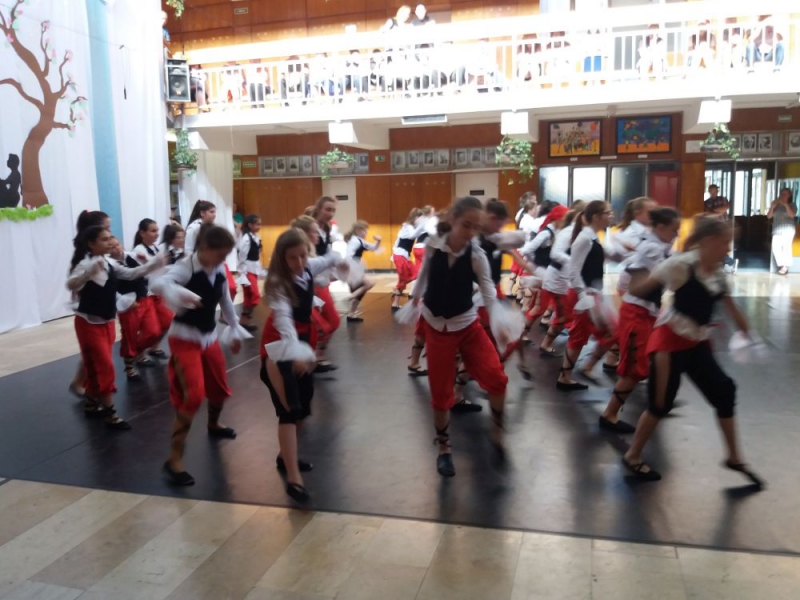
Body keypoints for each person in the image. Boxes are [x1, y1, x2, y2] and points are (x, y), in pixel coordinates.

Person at [621, 216, 763, 488]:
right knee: (660, 404)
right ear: (708, 241)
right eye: (725, 242)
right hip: (668, 345)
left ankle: (734, 457)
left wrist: (749, 335)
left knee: (724, 392)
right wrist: (635, 267)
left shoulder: (718, 273)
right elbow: (640, 288)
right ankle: (632, 454)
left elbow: (731, 307)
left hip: (697, 344)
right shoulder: (680, 265)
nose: (727, 248)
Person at [413, 196, 509, 477]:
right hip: (436, 327)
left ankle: (497, 431)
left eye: (475, 227)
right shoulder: (433, 245)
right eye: (466, 225)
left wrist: (497, 319)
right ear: (453, 220)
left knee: (497, 378)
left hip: (467, 325)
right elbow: (423, 275)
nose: (470, 232)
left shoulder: (476, 255)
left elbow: (488, 289)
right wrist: (413, 300)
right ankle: (444, 448)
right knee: (440, 393)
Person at [151, 225, 251, 486]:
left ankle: (214, 424)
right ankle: (174, 458)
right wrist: (180, 293)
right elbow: (158, 283)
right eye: (220, 254)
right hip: (184, 339)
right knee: (193, 395)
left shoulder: (217, 268)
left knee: (219, 389)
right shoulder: (186, 267)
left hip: (209, 337)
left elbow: (225, 300)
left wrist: (234, 328)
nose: (223, 260)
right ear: (205, 248)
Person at [260, 228, 347, 502]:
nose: (298, 262)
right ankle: (294, 478)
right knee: (288, 409)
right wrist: (295, 351)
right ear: (281, 258)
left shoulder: (309, 266)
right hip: (279, 346)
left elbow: (331, 256)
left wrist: (342, 262)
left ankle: (285, 457)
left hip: (303, 342)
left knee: (302, 407)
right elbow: (283, 320)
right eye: (292, 258)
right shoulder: (278, 283)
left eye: (302, 256)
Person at [67, 226, 163, 429]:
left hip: (106, 322)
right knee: (105, 366)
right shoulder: (85, 263)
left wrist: (153, 264)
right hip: (88, 323)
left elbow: (131, 274)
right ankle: (111, 413)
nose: (109, 242)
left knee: (99, 366)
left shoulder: (109, 263)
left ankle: (91, 403)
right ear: (91, 244)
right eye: (104, 239)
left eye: (109, 237)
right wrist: (87, 274)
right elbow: (71, 284)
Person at [599, 208, 680, 433]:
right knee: (634, 370)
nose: (676, 234)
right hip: (637, 312)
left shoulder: (656, 244)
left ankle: (658, 400)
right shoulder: (652, 247)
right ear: (660, 227)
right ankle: (609, 414)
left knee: (652, 359)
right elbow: (667, 277)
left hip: (646, 311)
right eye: (674, 230)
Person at [556, 200, 618, 390]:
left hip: (590, 293)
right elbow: (574, 272)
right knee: (598, 334)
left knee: (587, 335)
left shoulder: (592, 237)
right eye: (608, 213)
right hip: (585, 295)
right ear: (597, 216)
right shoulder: (584, 238)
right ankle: (568, 375)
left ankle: (574, 372)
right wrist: (584, 298)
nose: (611, 216)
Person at [68, 210, 111, 400]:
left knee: (99, 352)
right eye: (106, 229)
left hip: (103, 309)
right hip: (90, 311)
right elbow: (76, 282)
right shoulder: (84, 258)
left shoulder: (102, 255)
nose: (110, 234)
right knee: (95, 352)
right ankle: (84, 384)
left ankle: (91, 384)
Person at [536, 202, 585, 356]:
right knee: (564, 316)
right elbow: (555, 254)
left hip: (565, 281)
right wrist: (574, 262)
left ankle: (547, 342)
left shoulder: (578, 232)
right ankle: (546, 344)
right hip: (558, 281)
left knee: (563, 315)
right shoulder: (569, 232)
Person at [108, 236, 157, 381]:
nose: (116, 248)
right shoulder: (110, 265)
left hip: (144, 298)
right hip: (128, 304)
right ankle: (129, 366)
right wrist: (125, 302)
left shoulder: (133, 256)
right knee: (129, 335)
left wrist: (148, 261)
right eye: (112, 246)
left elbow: (146, 273)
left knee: (153, 331)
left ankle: (138, 353)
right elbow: (128, 276)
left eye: (117, 244)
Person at [132, 219, 173, 360]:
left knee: (167, 321)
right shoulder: (138, 250)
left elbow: (161, 268)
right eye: (153, 231)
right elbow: (144, 271)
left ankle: (154, 347)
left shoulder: (157, 249)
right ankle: (138, 353)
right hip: (146, 295)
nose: (156, 234)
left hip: (158, 293)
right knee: (151, 330)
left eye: (157, 231)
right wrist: (158, 262)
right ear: (142, 233)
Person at [185, 200, 238, 301]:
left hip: (217, 263)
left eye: (214, 212)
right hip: (201, 265)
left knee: (230, 289)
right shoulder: (194, 227)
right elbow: (188, 250)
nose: (214, 215)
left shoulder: (212, 227)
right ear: (202, 213)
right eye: (211, 212)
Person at [312, 196, 341, 372]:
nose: (330, 213)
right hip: (307, 285)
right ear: (318, 209)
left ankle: (319, 354)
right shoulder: (309, 229)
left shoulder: (326, 229)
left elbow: (328, 253)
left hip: (321, 282)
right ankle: (310, 357)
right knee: (320, 326)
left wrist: (336, 270)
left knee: (334, 321)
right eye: (327, 209)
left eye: (333, 210)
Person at [344, 220, 381, 322]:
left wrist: (378, 241)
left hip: (355, 266)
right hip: (353, 267)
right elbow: (348, 255)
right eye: (364, 230)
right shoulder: (355, 241)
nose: (366, 233)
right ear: (358, 230)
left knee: (360, 291)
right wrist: (351, 269)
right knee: (369, 283)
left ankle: (351, 314)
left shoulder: (360, 241)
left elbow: (373, 248)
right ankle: (351, 296)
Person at [391, 208, 425, 310]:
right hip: (400, 255)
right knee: (404, 279)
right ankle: (395, 304)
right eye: (420, 218)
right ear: (415, 217)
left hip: (404, 255)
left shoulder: (411, 227)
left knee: (416, 274)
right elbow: (412, 235)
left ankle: (397, 288)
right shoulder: (407, 226)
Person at [236, 214, 263, 330]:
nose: (259, 226)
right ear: (250, 225)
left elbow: (258, 252)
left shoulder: (256, 236)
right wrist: (242, 272)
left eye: (260, 224)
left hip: (254, 268)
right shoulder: (246, 239)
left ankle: (244, 321)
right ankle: (246, 316)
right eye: (257, 224)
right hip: (247, 270)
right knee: (255, 296)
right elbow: (242, 256)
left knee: (248, 296)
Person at [703, 184, 737, 273]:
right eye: (711, 191)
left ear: (717, 191)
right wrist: (718, 211)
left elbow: (724, 208)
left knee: (721, 248)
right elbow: (708, 213)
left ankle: (728, 264)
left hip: (723, 227)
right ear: (709, 191)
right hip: (712, 228)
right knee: (714, 249)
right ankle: (730, 263)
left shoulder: (723, 199)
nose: (713, 193)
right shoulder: (706, 202)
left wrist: (714, 211)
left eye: (715, 191)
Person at [766, 188, 796, 275]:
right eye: (782, 194)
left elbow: (792, 215)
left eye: (785, 194)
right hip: (777, 229)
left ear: (789, 196)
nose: (783, 196)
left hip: (788, 230)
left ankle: (784, 267)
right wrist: (772, 207)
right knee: (775, 248)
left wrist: (786, 205)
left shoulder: (792, 205)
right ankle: (782, 264)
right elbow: (769, 216)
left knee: (786, 248)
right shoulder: (776, 205)